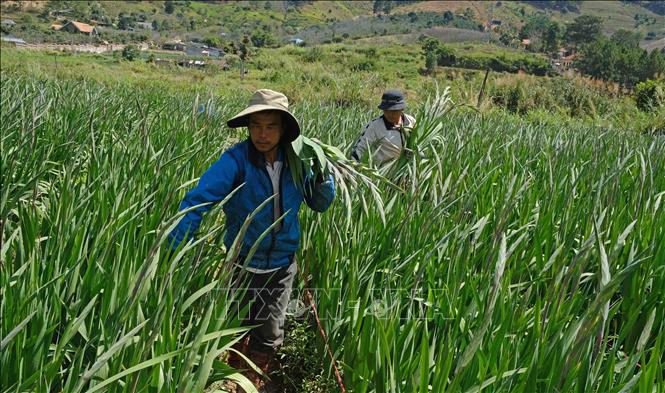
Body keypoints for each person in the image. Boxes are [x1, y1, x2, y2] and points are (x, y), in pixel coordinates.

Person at [167, 89, 335, 390]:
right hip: (242, 262)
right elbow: (198, 201)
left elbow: (319, 203)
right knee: (232, 328)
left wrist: (323, 177)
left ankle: (255, 380)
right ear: (247, 127)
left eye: (270, 126)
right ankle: (231, 379)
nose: (262, 134)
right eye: (256, 125)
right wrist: (173, 248)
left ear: (283, 129)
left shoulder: (297, 162)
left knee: (269, 333)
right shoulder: (236, 161)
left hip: (282, 265)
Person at [350, 89, 416, 165]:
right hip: (383, 173)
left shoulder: (411, 122)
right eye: (386, 110)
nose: (390, 114)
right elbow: (359, 150)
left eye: (394, 111)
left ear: (402, 109)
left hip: (406, 173)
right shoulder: (375, 126)